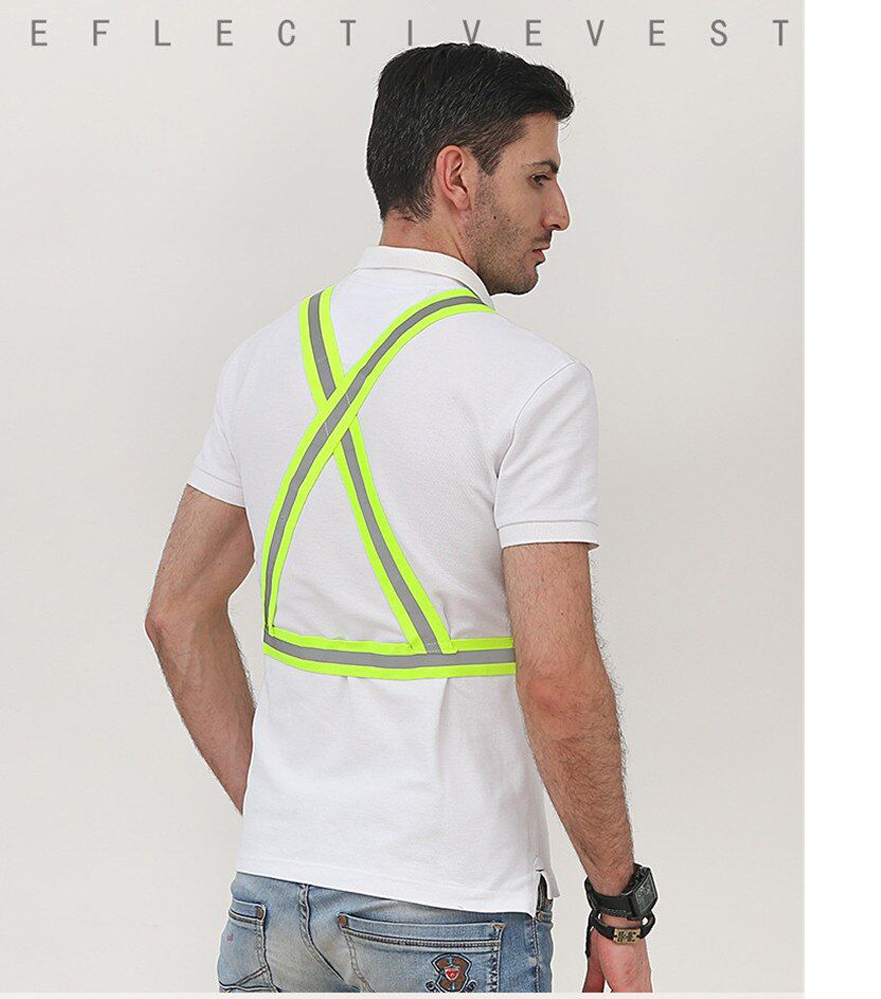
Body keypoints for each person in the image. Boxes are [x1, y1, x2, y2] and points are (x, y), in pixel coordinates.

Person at [146, 42, 655, 993]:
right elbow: (558, 679)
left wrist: (288, 820)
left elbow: (176, 610)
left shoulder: (261, 362)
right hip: (449, 910)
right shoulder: (533, 385)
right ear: (458, 176)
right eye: (539, 175)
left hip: (273, 905)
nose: (560, 211)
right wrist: (620, 904)